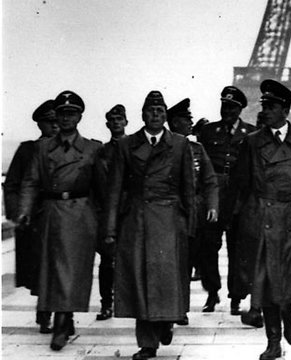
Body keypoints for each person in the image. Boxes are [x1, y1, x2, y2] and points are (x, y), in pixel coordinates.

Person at [105, 91, 216, 360]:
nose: (156, 115)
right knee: (142, 280)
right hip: (138, 220)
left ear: (165, 116)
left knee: (166, 280)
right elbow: (115, 190)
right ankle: (147, 342)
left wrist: (190, 223)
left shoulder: (180, 145)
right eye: (151, 110)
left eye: (160, 111)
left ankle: (165, 320)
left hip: (169, 221)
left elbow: (189, 186)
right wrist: (110, 228)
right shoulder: (126, 146)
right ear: (142, 115)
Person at [234, 79, 291, 360]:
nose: (265, 111)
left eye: (271, 106)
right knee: (269, 283)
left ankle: (289, 315)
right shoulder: (252, 142)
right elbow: (242, 182)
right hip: (266, 217)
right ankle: (273, 340)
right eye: (264, 106)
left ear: (285, 110)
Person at [18, 90, 104, 351]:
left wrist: (104, 222)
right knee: (52, 271)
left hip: (80, 215)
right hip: (51, 213)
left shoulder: (92, 149)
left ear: (79, 117)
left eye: (72, 113)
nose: (66, 118)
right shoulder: (43, 148)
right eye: (62, 113)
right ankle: (61, 319)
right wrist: (25, 209)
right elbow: (31, 181)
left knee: (74, 271)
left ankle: (63, 320)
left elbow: (102, 187)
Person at [199, 86, 260, 322]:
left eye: (233, 107)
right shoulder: (208, 131)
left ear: (241, 109)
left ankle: (236, 295)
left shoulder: (251, 133)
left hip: (238, 196)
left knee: (238, 249)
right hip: (213, 195)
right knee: (208, 246)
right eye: (225, 105)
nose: (228, 110)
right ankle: (212, 292)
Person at [3, 99, 59, 334]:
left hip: (60, 216)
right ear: (40, 125)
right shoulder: (28, 150)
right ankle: (45, 311)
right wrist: (18, 215)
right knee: (41, 269)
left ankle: (61, 314)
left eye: (57, 121)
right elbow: (12, 185)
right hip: (34, 219)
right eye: (49, 122)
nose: (55, 126)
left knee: (61, 266)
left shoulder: (66, 149)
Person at [167, 98, 219, 326]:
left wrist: (212, 205)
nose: (190, 123)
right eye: (186, 119)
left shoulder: (197, 149)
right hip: (173, 212)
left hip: (196, 213)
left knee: (201, 256)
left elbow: (209, 180)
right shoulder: (165, 149)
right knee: (179, 263)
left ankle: (208, 293)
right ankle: (178, 308)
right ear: (175, 123)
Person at [94, 104, 128, 322]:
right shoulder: (101, 152)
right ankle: (106, 303)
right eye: (112, 120)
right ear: (107, 124)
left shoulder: (134, 148)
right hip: (106, 211)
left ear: (126, 122)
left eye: (119, 119)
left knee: (129, 259)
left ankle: (125, 301)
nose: (116, 123)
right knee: (106, 261)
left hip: (128, 210)